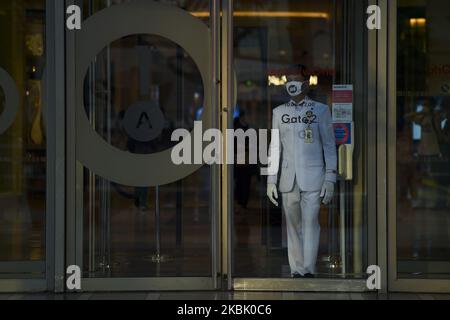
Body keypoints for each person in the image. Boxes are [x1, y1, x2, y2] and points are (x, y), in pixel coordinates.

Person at [266, 64, 337, 278]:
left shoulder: (320, 110)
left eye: (296, 80)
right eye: (289, 80)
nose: (292, 84)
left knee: (311, 223)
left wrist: (330, 178)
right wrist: (271, 179)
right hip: (288, 179)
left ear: (306, 85)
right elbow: (275, 147)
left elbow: (329, 145)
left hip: (314, 177)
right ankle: (297, 269)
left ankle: (309, 268)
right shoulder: (279, 112)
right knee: (293, 227)